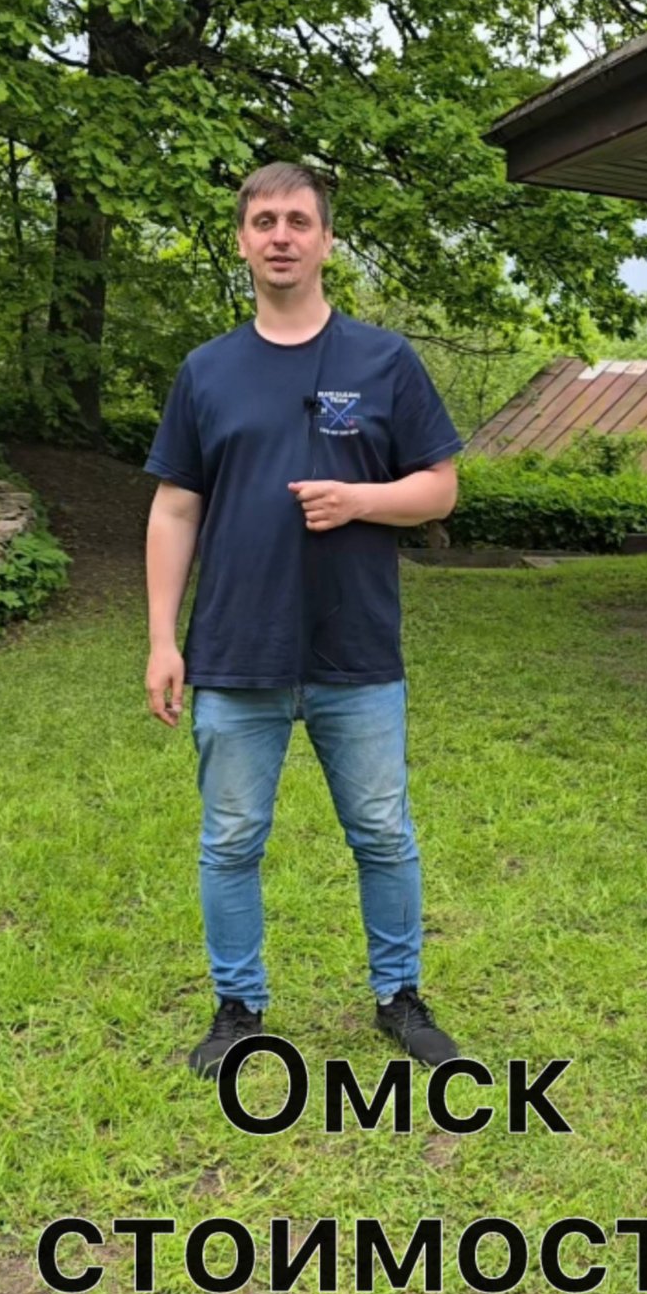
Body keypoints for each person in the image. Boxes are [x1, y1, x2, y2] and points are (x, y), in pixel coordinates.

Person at [143, 161, 464, 1076]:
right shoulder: (207, 371)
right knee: (231, 841)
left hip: (354, 651)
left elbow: (440, 487)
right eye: (264, 222)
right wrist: (162, 639)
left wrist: (362, 500)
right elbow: (175, 508)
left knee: (383, 835)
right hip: (235, 651)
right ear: (243, 242)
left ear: (326, 241)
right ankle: (238, 1009)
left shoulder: (383, 361)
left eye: (297, 221)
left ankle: (399, 997)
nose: (280, 236)